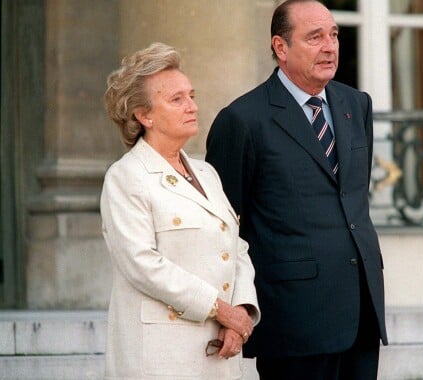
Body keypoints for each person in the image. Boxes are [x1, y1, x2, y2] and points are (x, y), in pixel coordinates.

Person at [205, 1, 388, 379]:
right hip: (293, 321)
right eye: (315, 37)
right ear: (281, 47)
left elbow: (350, 201)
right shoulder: (241, 120)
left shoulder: (357, 104)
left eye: (334, 35)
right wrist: (228, 309)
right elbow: (222, 228)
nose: (330, 46)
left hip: (361, 311)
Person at [100, 42, 260, 380]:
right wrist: (221, 310)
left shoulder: (206, 173)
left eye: (191, 95)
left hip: (220, 351)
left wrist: (241, 314)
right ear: (144, 116)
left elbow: (237, 248)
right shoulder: (126, 176)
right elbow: (142, 264)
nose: (192, 106)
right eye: (176, 99)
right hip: (161, 356)